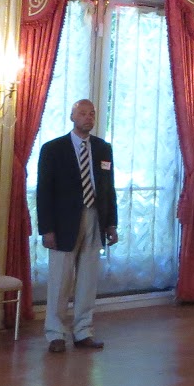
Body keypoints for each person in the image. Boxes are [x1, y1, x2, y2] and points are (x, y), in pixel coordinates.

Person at [35, 99, 117, 354]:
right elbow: (44, 191)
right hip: (62, 223)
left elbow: (108, 188)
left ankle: (83, 331)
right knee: (60, 280)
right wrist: (46, 229)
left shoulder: (103, 148)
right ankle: (55, 333)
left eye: (91, 113)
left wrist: (111, 223)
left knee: (88, 280)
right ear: (72, 117)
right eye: (82, 113)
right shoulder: (53, 149)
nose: (88, 117)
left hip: (94, 217)